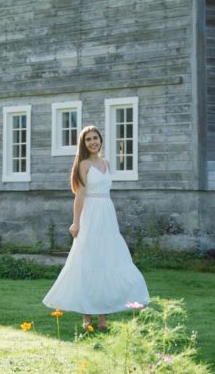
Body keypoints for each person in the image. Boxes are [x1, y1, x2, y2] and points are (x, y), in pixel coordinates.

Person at [43, 125, 149, 330]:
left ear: (101, 140)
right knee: (88, 263)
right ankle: (87, 317)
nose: (93, 142)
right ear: (83, 144)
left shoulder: (107, 163)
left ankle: (103, 320)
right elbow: (80, 195)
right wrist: (76, 222)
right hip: (90, 216)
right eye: (88, 139)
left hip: (107, 217)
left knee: (108, 263)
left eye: (95, 138)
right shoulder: (83, 165)